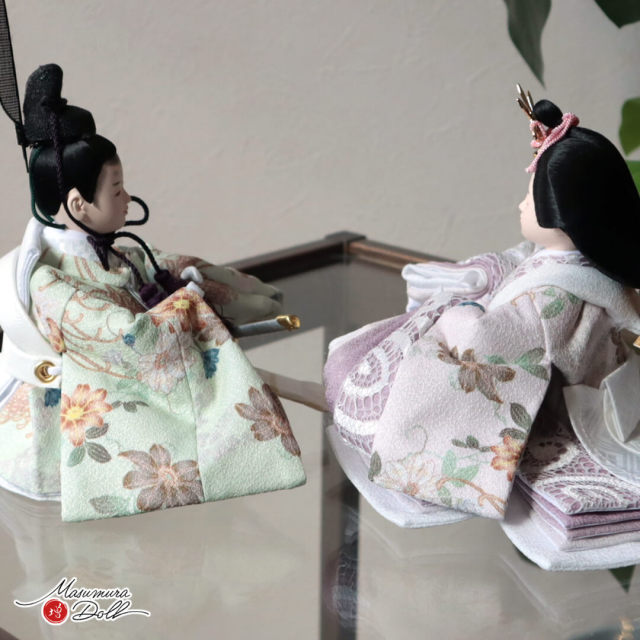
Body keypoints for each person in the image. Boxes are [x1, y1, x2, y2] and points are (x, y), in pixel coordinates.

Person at [0, 64, 305, 521]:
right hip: (74, 422)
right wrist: (189, 305)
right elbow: (130, 336)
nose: (127, 199)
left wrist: (215, 287)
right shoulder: (48, 282)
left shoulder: (117, 253)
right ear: (79, 204)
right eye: (116, 190)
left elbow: (166, 265)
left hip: (135, 383)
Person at [324, 93, 640, 521]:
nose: (521, 204)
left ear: (562, 214)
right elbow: (522, 260)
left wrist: (458, 310)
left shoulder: (557, 297)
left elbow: (487, 344)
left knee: (368, 372)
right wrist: (488, 275)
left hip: (554, 407)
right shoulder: (586, 269)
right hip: (585, 377)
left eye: (530, 196)